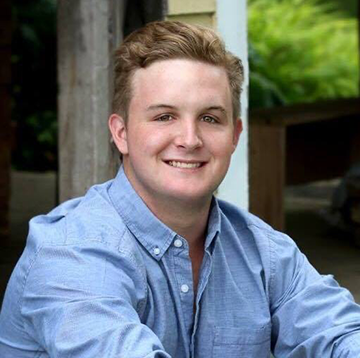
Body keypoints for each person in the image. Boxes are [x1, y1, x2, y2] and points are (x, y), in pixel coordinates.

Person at [0, 21, 360, 358]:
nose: (190, 140)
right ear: (121, 133)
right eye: (164, 116)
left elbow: (342, 334)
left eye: (209, 118)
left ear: (234, 135)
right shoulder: (70, 256)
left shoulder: (265, 253)